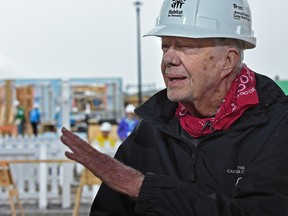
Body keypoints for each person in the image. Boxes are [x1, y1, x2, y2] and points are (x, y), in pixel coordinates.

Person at [60, 0, 288, 215]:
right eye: (165, 46)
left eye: (186, 46)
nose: (168, 58)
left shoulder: (277, 127)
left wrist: (144, 190)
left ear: (227, 61)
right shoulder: (153, 126)